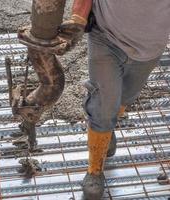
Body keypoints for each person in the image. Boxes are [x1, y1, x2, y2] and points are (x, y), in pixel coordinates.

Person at [60, 0, 170, 199]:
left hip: (149, 49)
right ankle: (94, 170)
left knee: (124, 97)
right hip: (106, 37)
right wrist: (78, 16)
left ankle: (107, 131)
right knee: (103, 107)